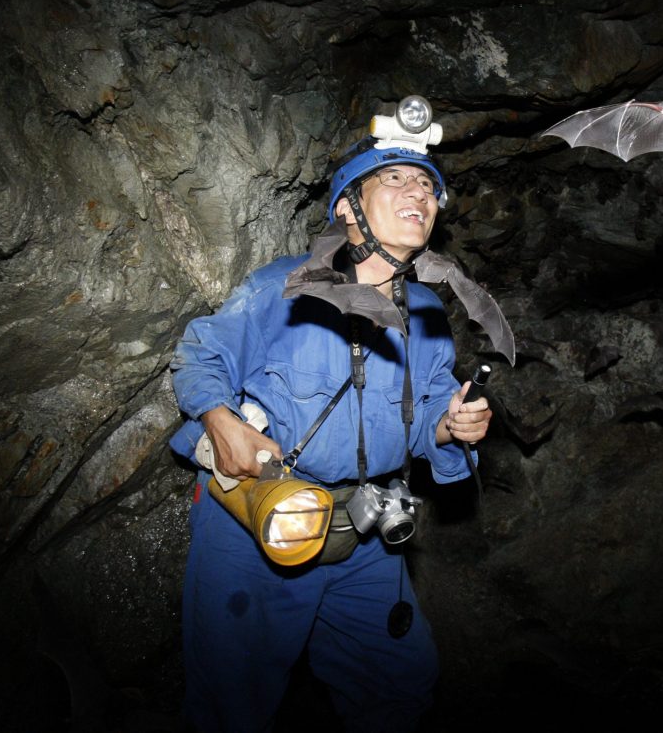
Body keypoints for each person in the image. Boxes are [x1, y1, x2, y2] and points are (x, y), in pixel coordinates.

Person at [168, 124, 493, 733]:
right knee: (231, 705)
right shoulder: (282, 287)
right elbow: (199, 356)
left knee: (399, 686)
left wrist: (452, 427)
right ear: (348, 207)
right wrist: (219, 419)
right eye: (395, 179)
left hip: (364, 533)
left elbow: (425, 421)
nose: (418, 194)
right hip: (262, 523)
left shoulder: (425, 313)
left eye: (427, 186)